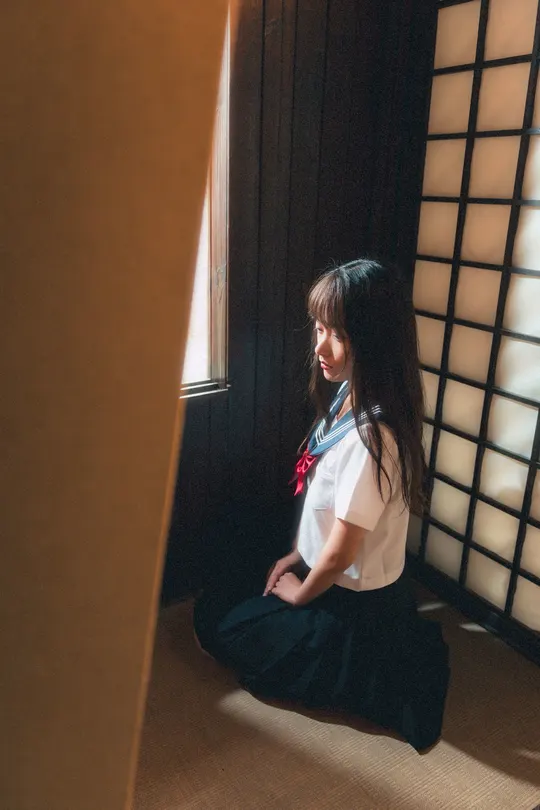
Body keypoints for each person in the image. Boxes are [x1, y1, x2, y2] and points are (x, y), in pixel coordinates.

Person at [193, 258, 450, 751]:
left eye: (340, 336)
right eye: (319, 328)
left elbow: (341, 553)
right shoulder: (350, 394)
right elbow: (325, 515)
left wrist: (299, 595)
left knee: (222, 623)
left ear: (373, 342)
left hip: (351, 605)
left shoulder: (374, 440)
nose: (321, 347)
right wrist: (296, 555)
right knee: (234, 572)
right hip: (325, 569)